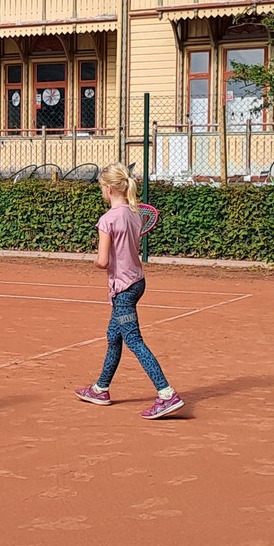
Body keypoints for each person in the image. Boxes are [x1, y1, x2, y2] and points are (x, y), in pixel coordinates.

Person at [76, 164, 185, 419]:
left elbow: (103, 261)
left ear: (110, 188)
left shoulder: (107, 219)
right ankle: (101, 388)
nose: (101, 192)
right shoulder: (135, 213)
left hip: (123, 288)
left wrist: (93, 260)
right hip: (137, 283)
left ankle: (167, 394)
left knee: (133, 340)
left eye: (102, 188)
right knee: (114, 336)